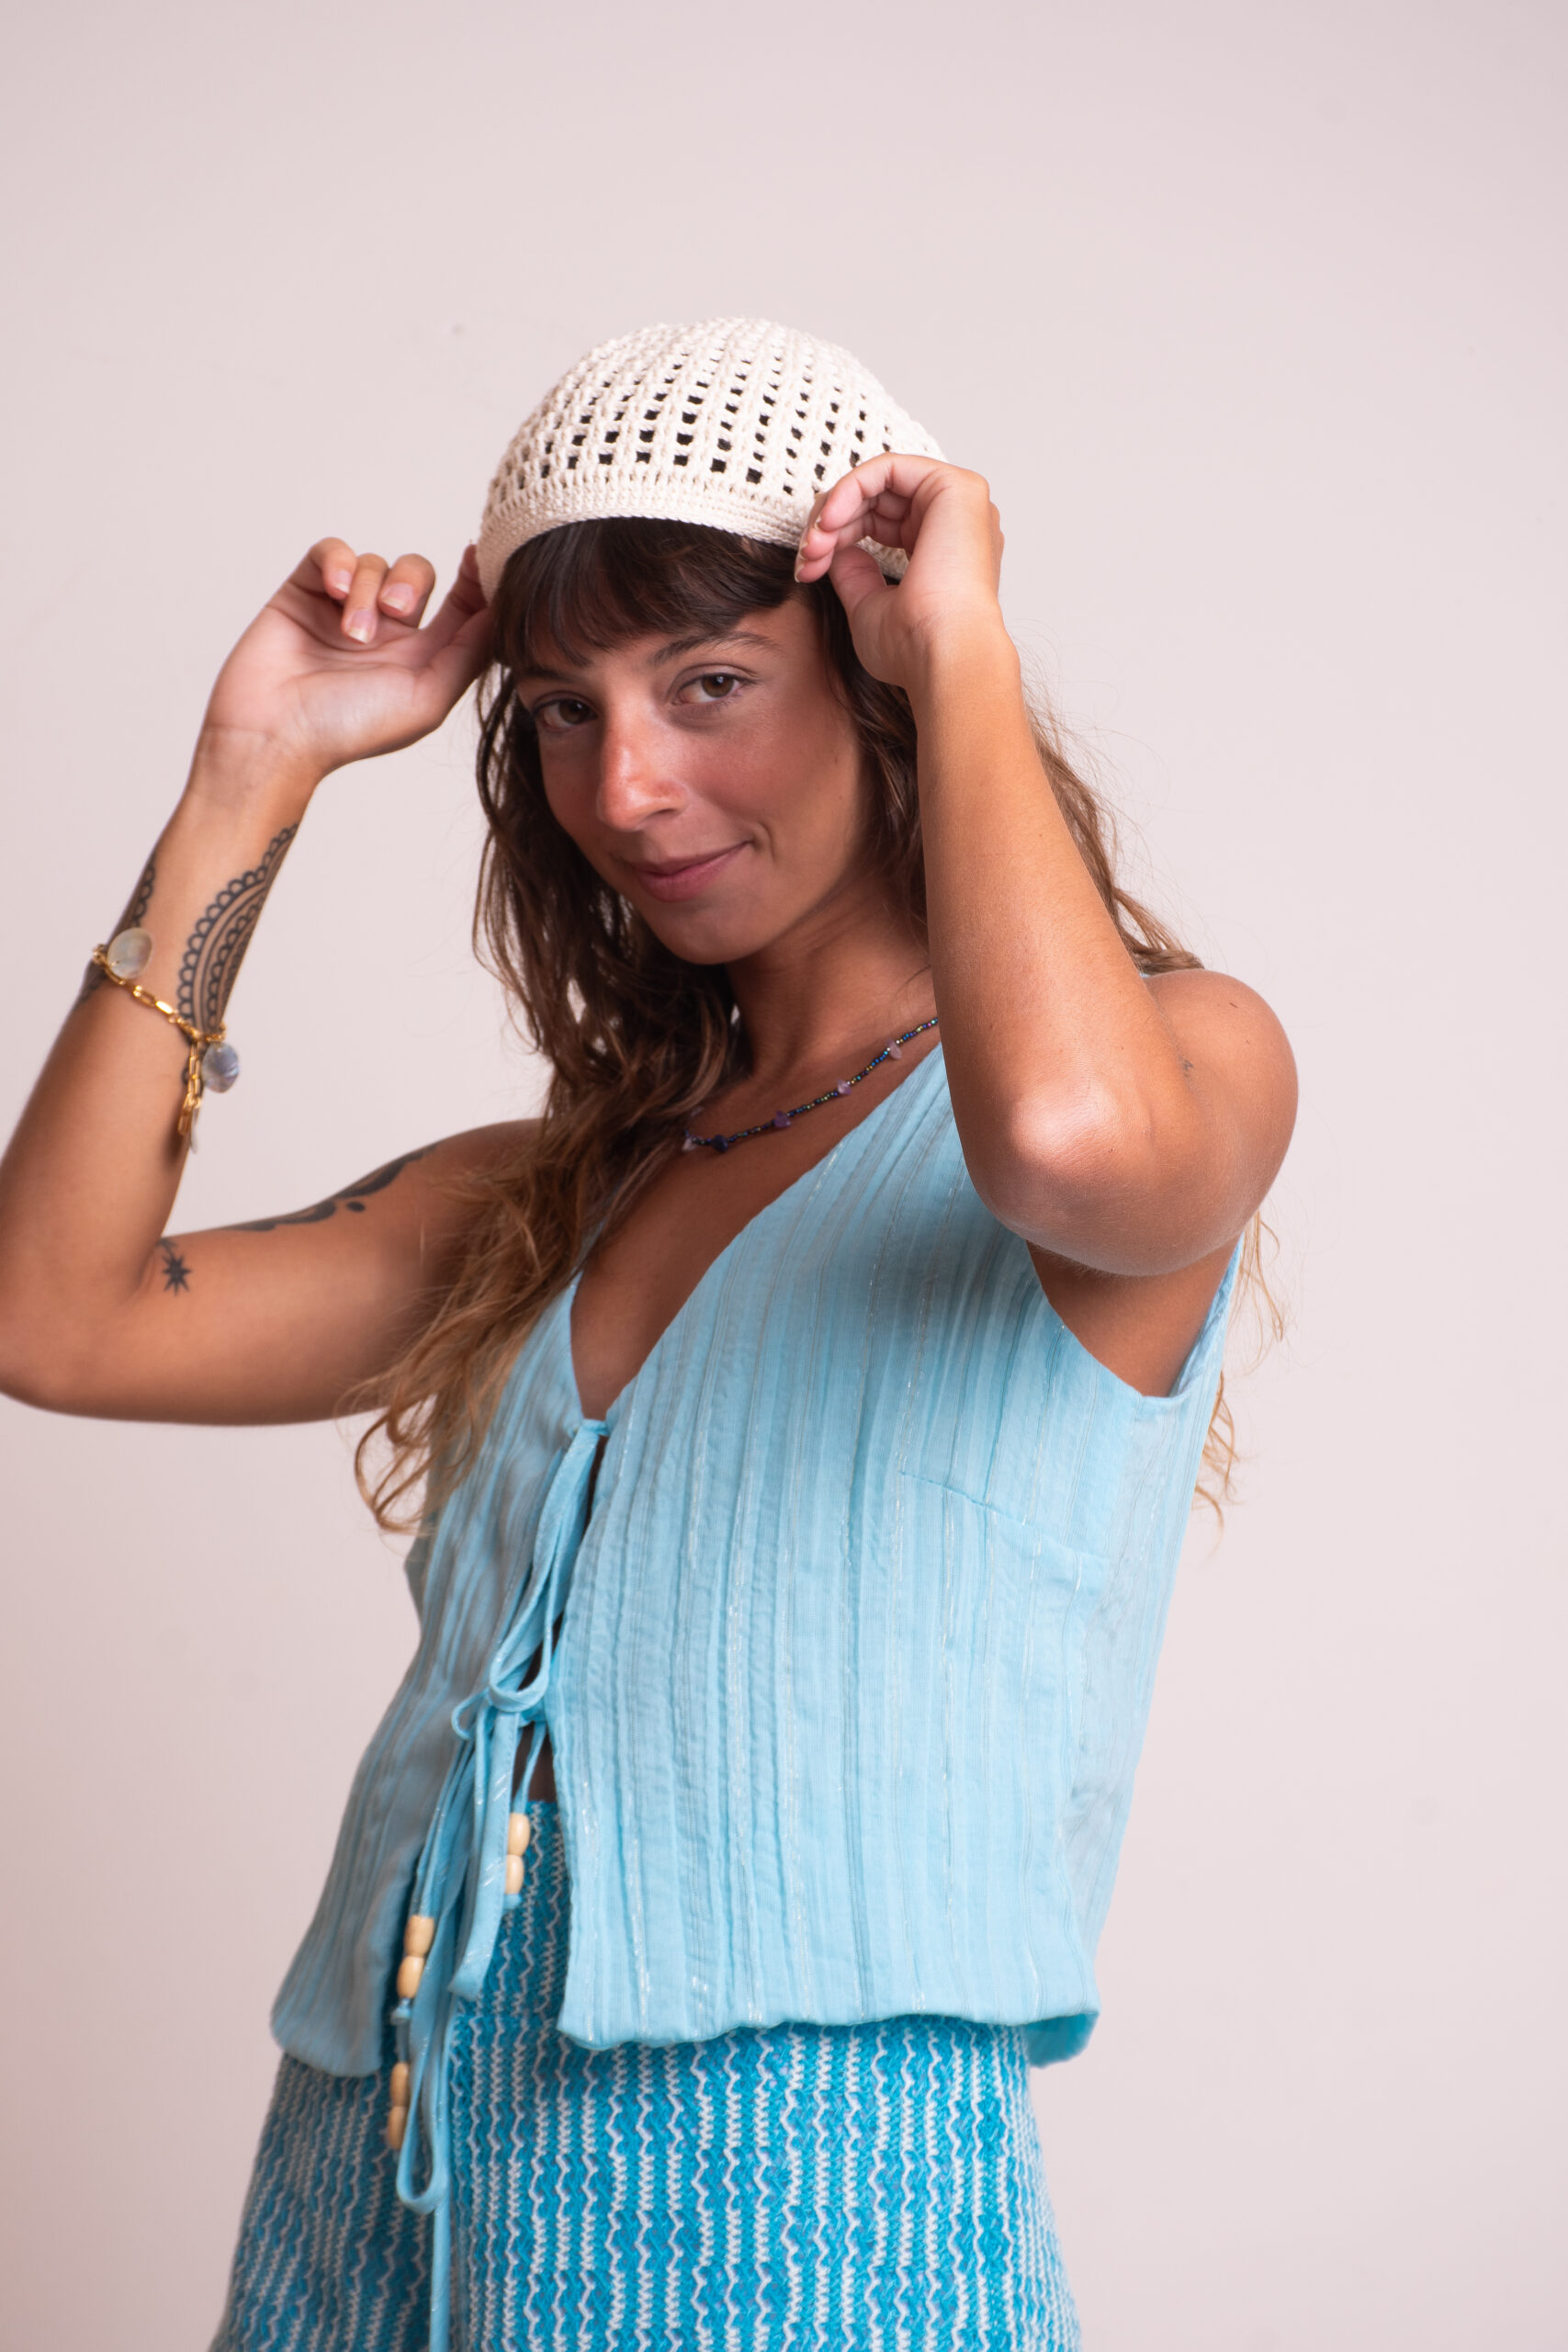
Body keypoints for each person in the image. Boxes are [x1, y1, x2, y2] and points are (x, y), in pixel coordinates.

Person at [0, 318, 1296, 2350]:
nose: (626, 784)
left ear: (864, 672)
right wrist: (246, 781)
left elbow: (1059, 1142)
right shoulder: (560, 1186)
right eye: (563, 712)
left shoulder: (1175, 1062)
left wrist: (958, 643)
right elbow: (52, 1314)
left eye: (710, 685)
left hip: (802, 2200)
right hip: (372, 2170)